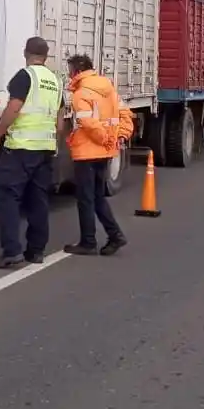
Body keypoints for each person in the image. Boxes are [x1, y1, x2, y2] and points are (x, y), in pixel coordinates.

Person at [0, 36, 65, 269]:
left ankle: (12, 251)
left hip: (21, 148)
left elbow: (14, 108)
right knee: (38, 200)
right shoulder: (55, 80)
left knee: (8, 198)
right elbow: (60, 121)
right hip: (45, 149)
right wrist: (54, 142)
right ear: (46, 56)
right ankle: (36, 251)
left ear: (26, 53)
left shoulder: (25, 76)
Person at [61, 54, 132, 257]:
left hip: (87, 152)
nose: (69, 75)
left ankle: (88, 242)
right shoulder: (109, 89)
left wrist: (103, 138)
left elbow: (88, 123)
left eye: (70, 71)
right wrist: (118, 136)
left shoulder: (80, 94)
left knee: (85, 198)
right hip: (105, 153)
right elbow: (125, 115)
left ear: (76, 71)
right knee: (97, 196)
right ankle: (115, 235)